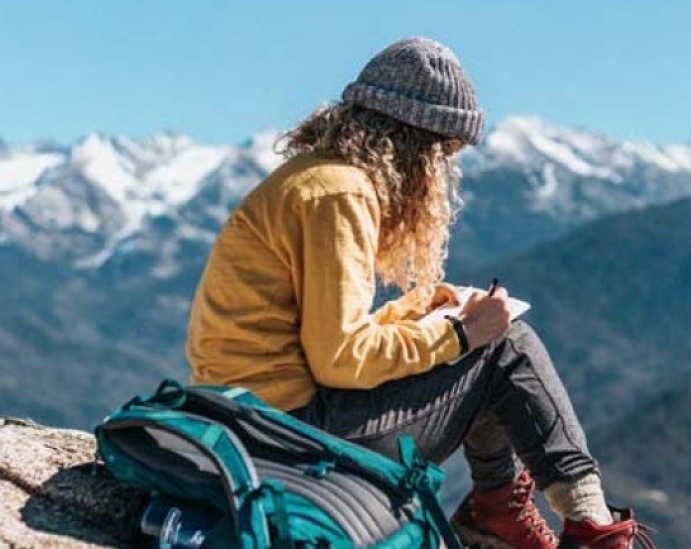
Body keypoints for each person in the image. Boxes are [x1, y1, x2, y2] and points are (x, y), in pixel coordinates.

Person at [186, 37, 655, 549]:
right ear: (415, 144)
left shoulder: (312, 180)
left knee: (487, 344)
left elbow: (316, 336)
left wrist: (416, 314)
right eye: (443, 155)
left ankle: (499, 511)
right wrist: (459, 333)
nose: (442, 172)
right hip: (289, 439)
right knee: (505, 346)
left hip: (249, 420)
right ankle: (591, 527)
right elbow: (340, 358)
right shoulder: (341, 194)